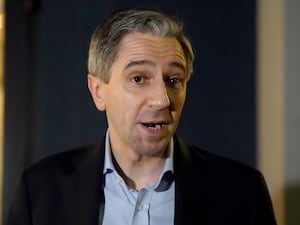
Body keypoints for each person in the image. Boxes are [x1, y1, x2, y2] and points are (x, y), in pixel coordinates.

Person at [6, 7, 277, 225]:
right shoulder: (41, 190)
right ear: (98, 91)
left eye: (173, 79)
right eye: (138, 78)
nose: (162, 99)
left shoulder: (242, 192)